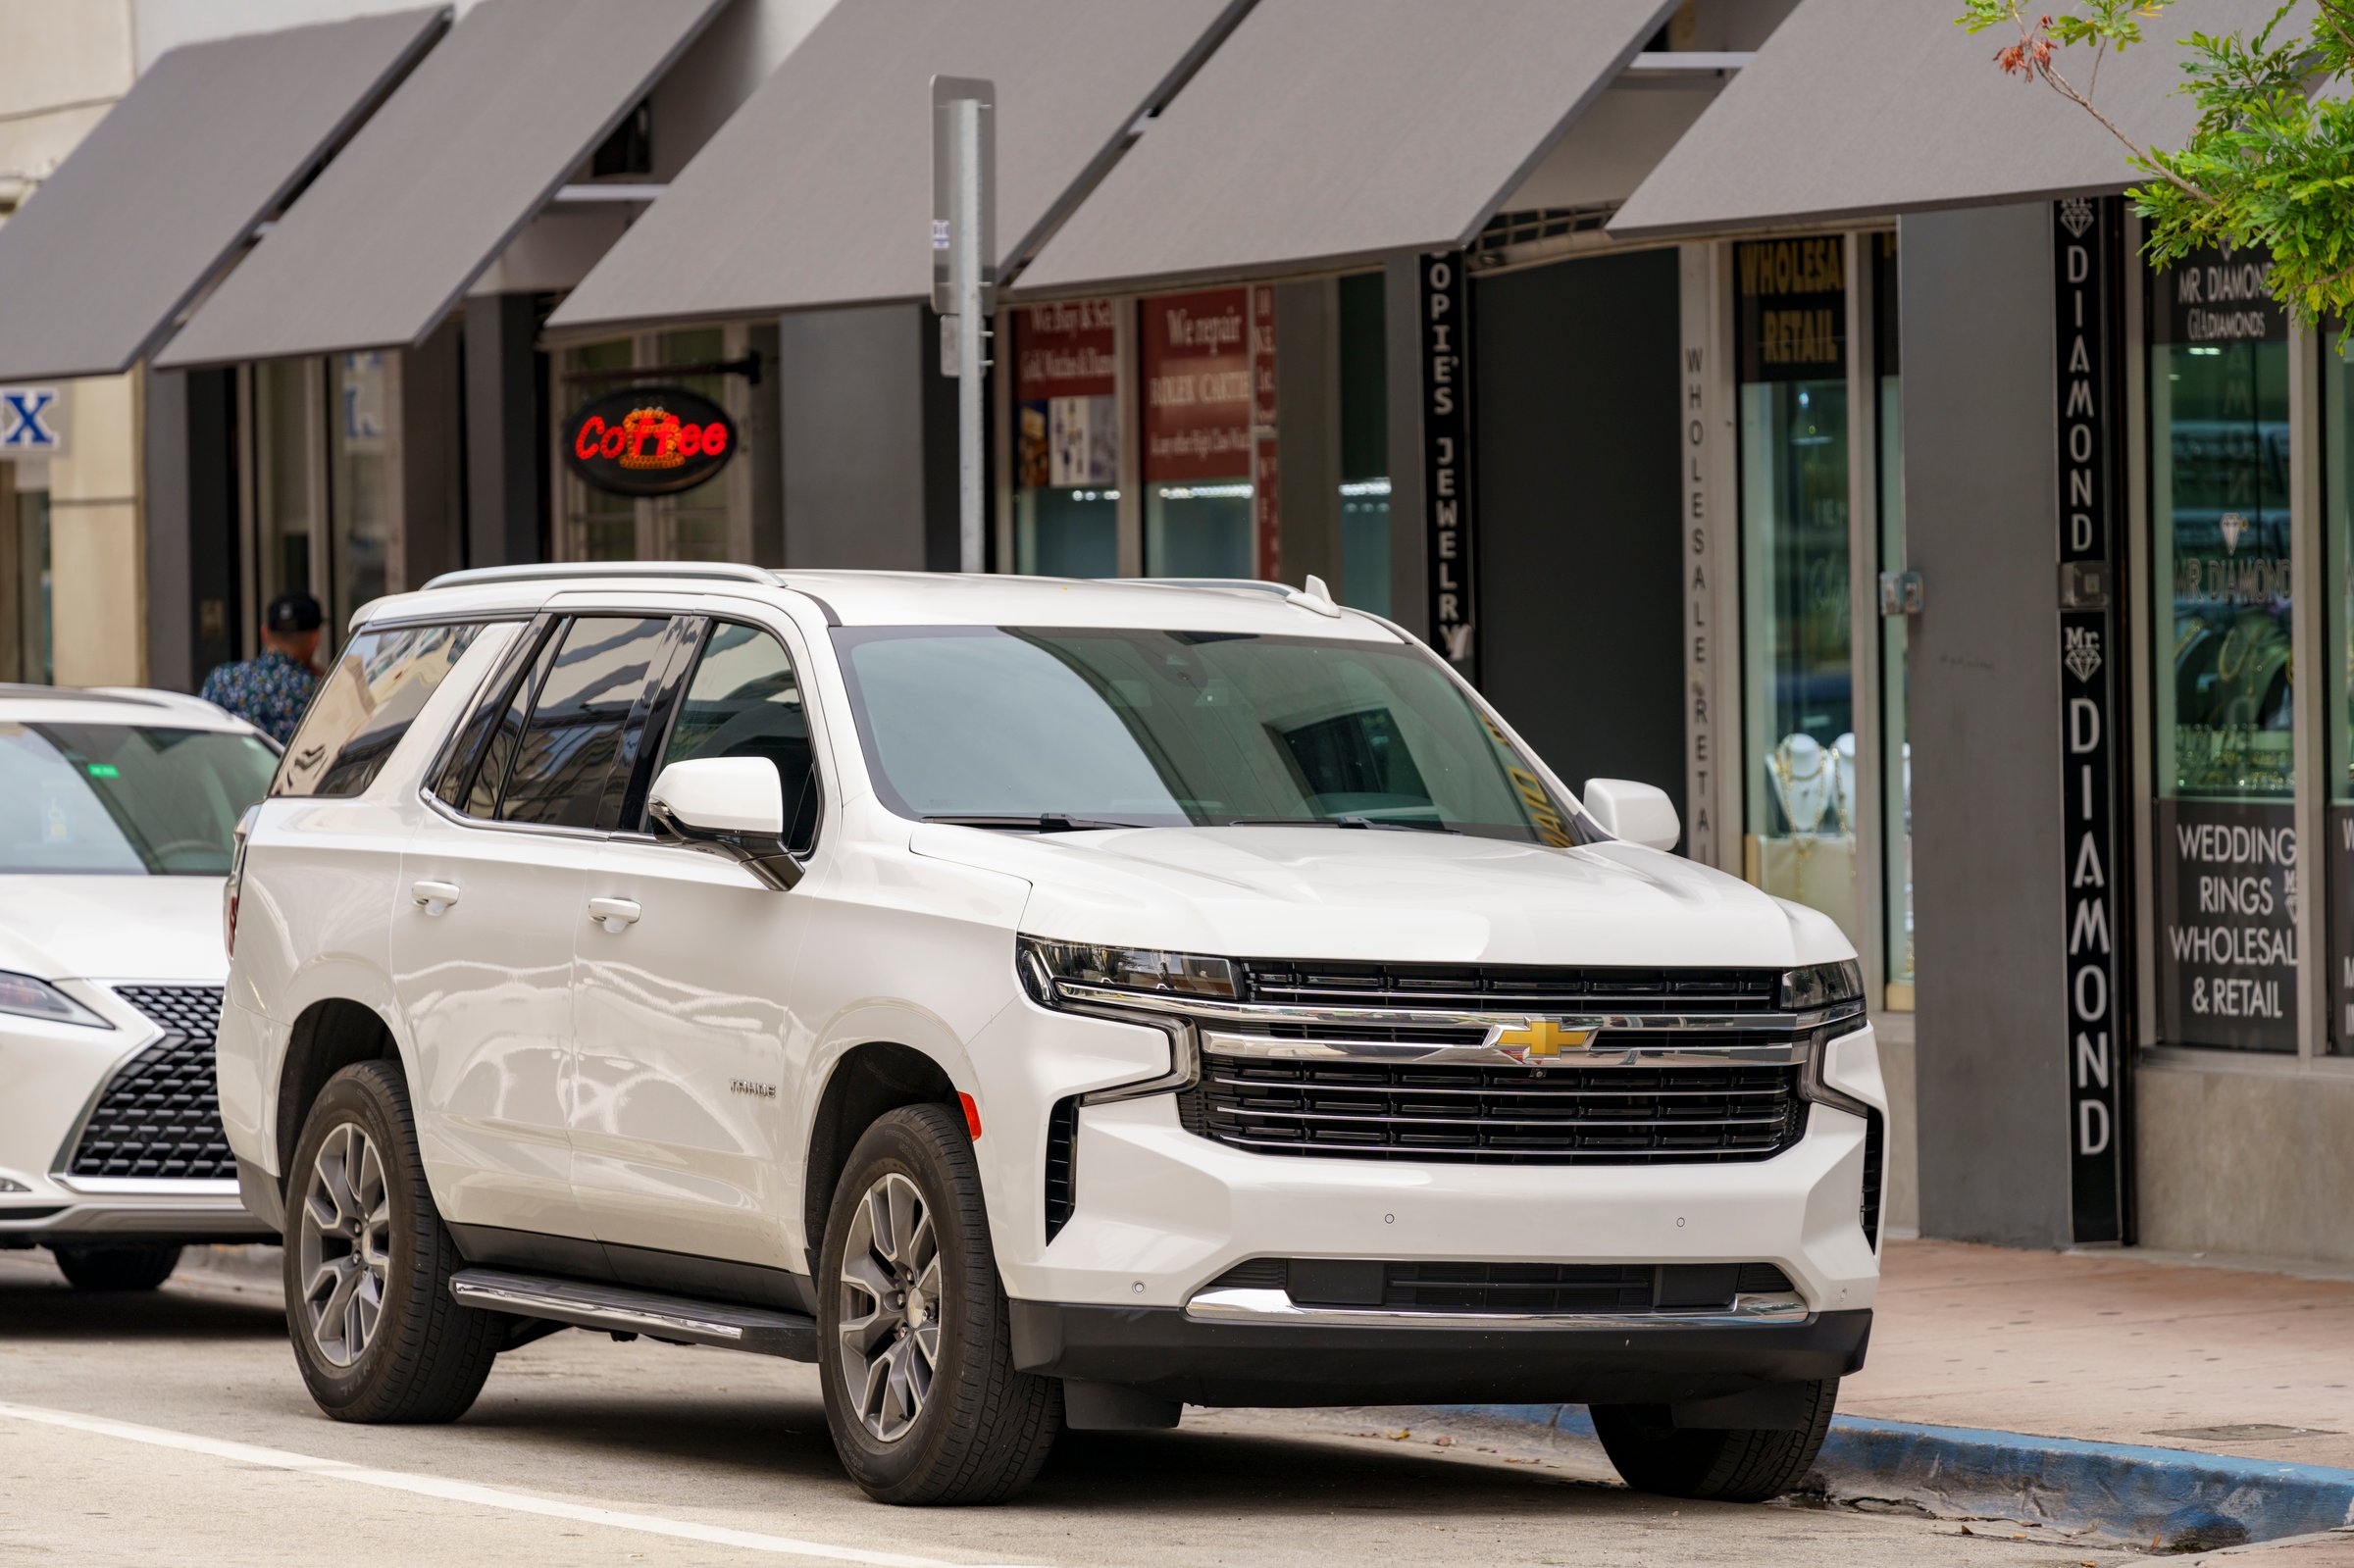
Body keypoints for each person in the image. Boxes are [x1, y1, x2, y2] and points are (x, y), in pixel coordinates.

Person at [200, 592, 324, 745]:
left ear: (264, 632)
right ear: (315, 638)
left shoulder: (220, 678)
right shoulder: (315, 690)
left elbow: (200, 738)